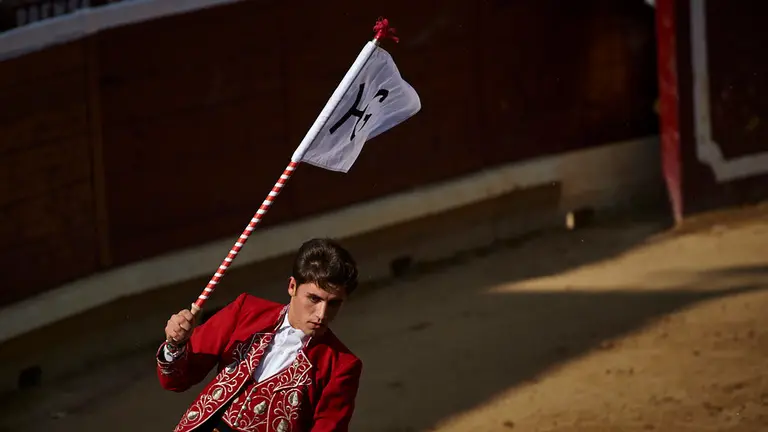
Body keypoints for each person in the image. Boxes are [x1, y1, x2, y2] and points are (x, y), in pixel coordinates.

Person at [157, 238, 363, 432]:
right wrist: (175, 344)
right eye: (313, 298)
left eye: (334, 303)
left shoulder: (342, 366)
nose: (322, 314)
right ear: (292, 287)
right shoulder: (246, 311)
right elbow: (177, 379)